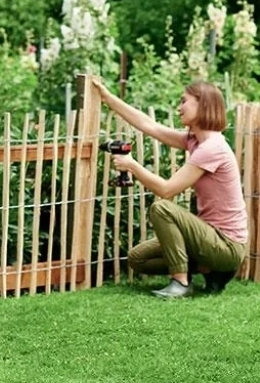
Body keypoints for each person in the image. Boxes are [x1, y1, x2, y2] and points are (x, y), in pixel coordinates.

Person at [90, 77, 247, 299]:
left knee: (162, 208)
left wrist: (131, 165)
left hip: (226, 245)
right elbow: (149, 126)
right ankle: (209, 270)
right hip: (208, 237)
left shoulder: (212, 148)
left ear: (203, 105)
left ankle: (181, 281)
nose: (178, 107)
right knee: (137, 258)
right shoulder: (196, 141)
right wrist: (107, 97)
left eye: (184, 101)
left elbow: (167, 190)